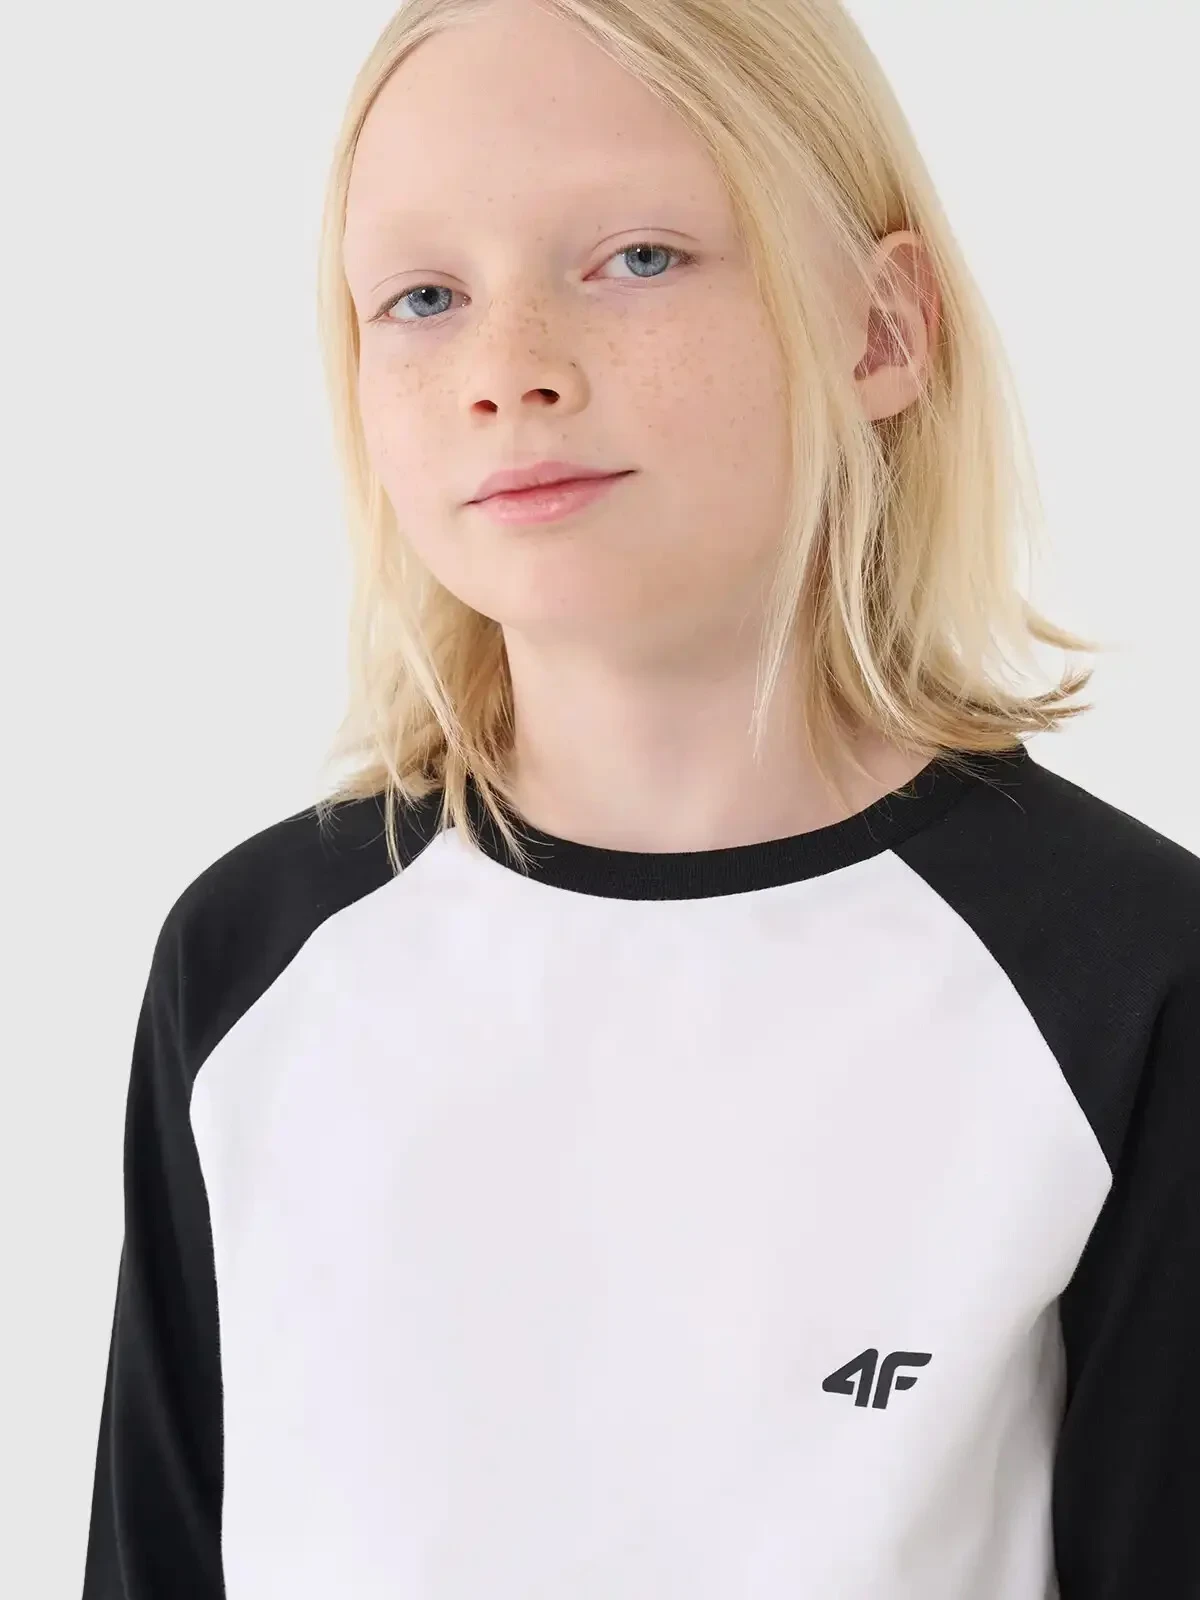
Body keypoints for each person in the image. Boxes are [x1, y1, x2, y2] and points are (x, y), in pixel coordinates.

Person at [81, 0, 1200, 1596]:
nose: (508, 371)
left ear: (883, 331)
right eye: (424, 296)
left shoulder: (1126, 975)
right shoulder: (252, 963)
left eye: (638, 259)